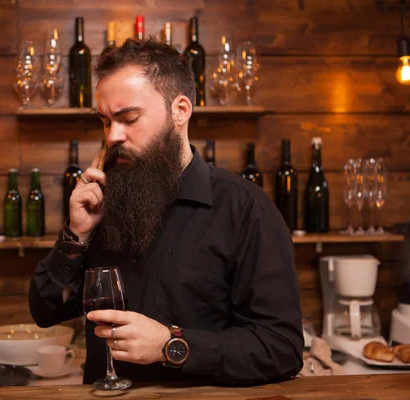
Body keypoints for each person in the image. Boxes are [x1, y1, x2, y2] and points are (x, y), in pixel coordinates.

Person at [29, 38, 303, 386]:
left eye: (129, 118)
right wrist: (76, 235)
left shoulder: (246, 209)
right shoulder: (101, 200)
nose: (113, 136)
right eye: (105, 121)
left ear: (181, 110)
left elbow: (281, 349)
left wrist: (171, 344)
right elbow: (44, 311)